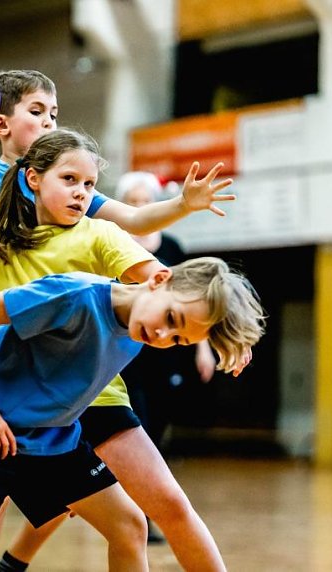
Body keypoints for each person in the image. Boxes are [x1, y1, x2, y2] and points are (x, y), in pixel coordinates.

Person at [0, 69, 236, 569]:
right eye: (71, 179)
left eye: (88, 183)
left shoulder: (96, 234)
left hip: (85, 394)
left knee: (140, 515)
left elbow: (170, 283)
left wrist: (222, 324)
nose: (82, 191)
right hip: (12, 393)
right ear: (33, 175)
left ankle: (12, 563)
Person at [0, 256, 266, 571]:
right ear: (158, 278)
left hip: (50, 438)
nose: (161, 334)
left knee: (129, 525)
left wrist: (229, 340)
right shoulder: (77, 295)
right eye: (171, 318)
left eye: (178, 339)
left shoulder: (139, 325)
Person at [112, 171, 218, 543]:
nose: (140, 205)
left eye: (146, 199)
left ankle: (140, 511)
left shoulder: (171, 246)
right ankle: (132, 512)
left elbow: (192, 299)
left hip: (164, 353)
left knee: (155, 431)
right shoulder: (115, 241)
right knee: (133, 427)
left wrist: (203, 347)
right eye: (135, 199)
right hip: (126, 356)